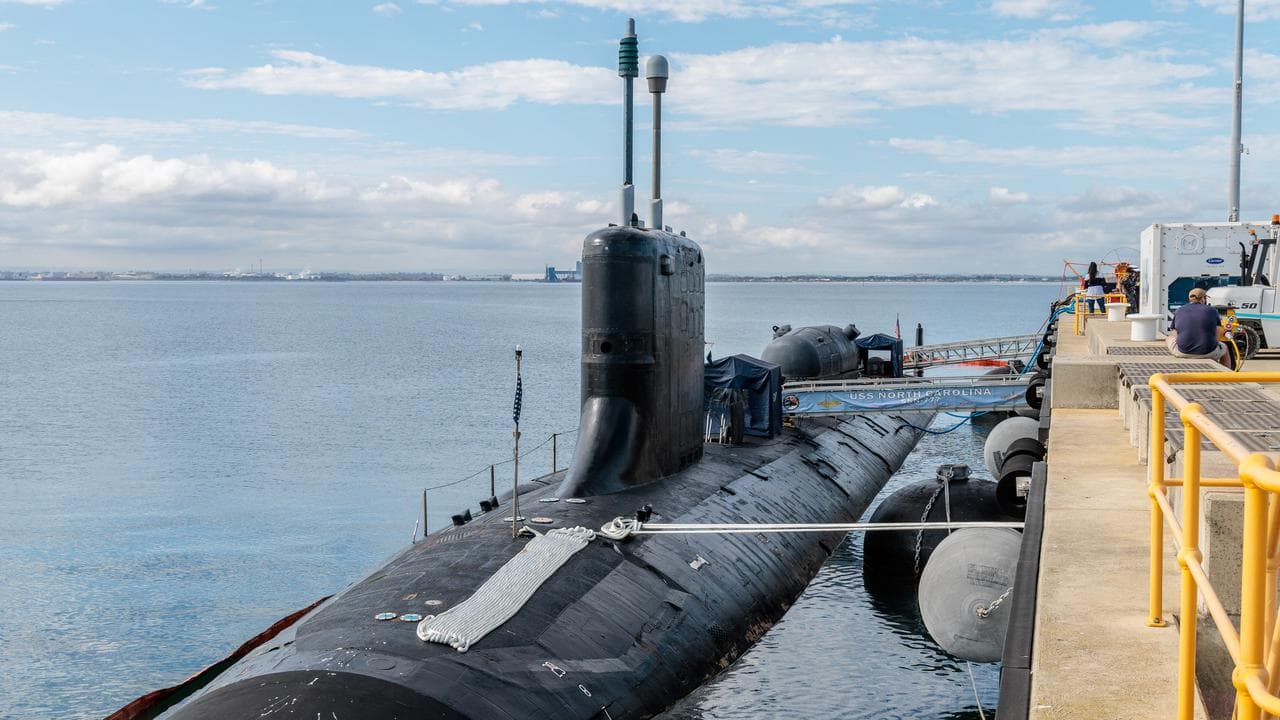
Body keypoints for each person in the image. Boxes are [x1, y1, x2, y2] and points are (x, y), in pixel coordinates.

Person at [1166, 287, 1231, 368]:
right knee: (1225, 348)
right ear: (1203, 299)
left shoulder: (1179, 310)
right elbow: (1217, 332)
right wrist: (1214, 346)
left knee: (1169, 338)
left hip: (1183, 352)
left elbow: (1176, 333)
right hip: (1208, 352)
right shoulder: (1212, 310)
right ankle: (1226, 373)